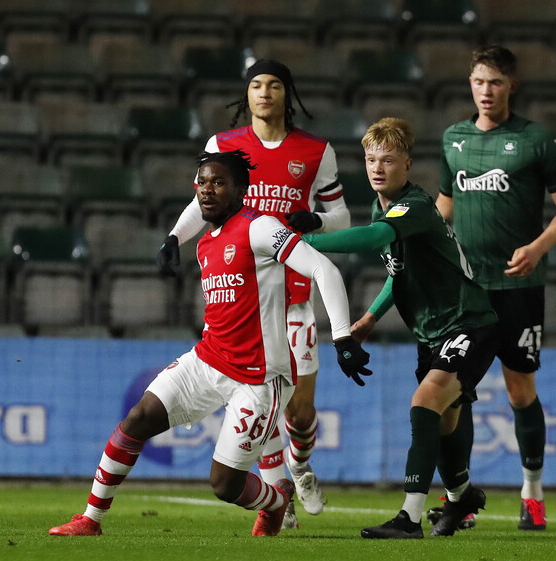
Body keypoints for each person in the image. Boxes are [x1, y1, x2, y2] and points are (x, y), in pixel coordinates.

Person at [49, 150, 371, 538]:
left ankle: (275, 500)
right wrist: (172, 238)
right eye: (201, 182)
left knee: (224, 484)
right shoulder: (205, 243)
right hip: (208, 361)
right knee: (137, 418)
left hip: (260, 378)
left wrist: (342, 337)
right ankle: (90, 519)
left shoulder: (260, 227)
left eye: (218, 183)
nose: (206, 190)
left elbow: (324, 268)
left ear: (240, 190)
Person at [156, 59, 351, 528]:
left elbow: (342, 215)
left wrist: (317, 221)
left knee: (300, 412)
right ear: (246, 95)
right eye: (256, 85)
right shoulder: (222, 146)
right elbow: (201, 201)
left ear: (288, 94)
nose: (264, 92)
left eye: (274, 85)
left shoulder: (316, 151)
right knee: (259, 394)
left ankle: (300, 467)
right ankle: (276, 497)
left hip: (294, 294)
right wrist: (174, 238)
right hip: (244, 299)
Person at [303, 117, 498, 539]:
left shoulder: (413, 206)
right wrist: (372, 317)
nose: (377, 167)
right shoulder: (384, 206)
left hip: (469, 321)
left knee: (425, 403)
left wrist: (303, 242)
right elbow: (399, 272)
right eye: (371, 159)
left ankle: (409, 518)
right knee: (445, 422)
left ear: (407, 165)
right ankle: (461, 495)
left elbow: (374, 239)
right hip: (432, 332)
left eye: (388, 160)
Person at [431, 45, 556, 532]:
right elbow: (445, 206)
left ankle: (532, 492)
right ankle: (461, 498)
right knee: (456, 393)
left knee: (519, 392)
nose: (486, 90)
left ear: (510, 85)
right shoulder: (453, 139)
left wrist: (537, 248)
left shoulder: (537, 140)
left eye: (495, 82)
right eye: (479, 81)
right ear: (470, 85)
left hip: (520, 287)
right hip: (468, 290)